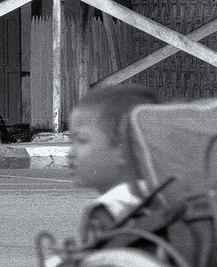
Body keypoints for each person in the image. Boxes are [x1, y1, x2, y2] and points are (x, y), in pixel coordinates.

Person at [67, 83, 161, 234]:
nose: (71, 153)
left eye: (81, 140)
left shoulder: (112, 211)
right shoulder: (166, 199)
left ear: (125, 149)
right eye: (71, 142)